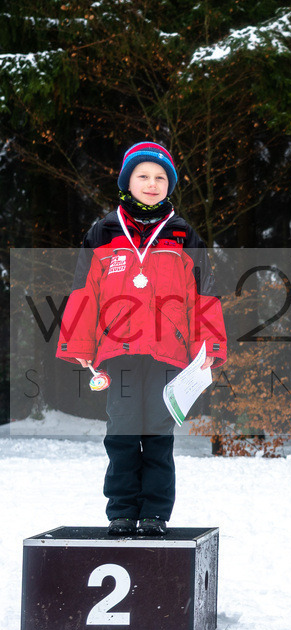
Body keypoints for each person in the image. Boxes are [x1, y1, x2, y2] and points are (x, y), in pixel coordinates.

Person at [56, 141, 226, 536]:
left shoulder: (184, 234)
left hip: (171, 353)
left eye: (160, 177)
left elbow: (206, 296)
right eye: (143, 176)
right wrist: (79, 345)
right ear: (127, 181)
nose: (152, 184)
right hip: (118, 352)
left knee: (159, 434)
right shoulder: (102, 231)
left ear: (170, 185)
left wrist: (210, 348)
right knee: (123, 431)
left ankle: (154, 514)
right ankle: (120, 510)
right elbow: (83, 293)